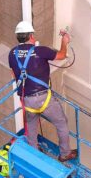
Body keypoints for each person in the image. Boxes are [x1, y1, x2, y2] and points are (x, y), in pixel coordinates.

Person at [9, 21, 77, 162]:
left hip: (26, 99)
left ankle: (33, 150)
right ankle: (65, 153)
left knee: (32, 125)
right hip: (43, 98)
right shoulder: (40, 51)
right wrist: (64, 41)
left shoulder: (12, 53)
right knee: (61, 122)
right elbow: (62, 55)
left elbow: (15, 76)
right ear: (31, 36)